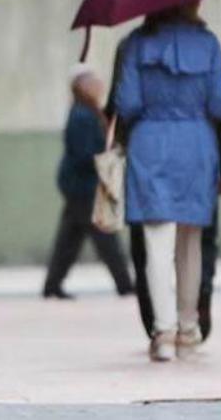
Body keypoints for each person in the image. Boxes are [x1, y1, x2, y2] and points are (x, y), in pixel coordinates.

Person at [112, 2, 221, 362]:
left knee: (156, 244)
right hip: (196, 146)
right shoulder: (208, 43)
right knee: (191, 243)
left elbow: (128, 102)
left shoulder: (136, 43)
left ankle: (162, 332)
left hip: (149, 144)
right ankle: (187, 327)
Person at [42, 66, 134, 300]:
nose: (100, 86)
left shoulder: (87, 111)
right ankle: (124, 284)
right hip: (83, 186)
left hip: (80, 185)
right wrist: (109, 153)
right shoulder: (82, 115)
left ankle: (52, 285)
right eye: (94, 82)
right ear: (83, 87)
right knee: (105, 236)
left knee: (70, 237)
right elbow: (85, 154)